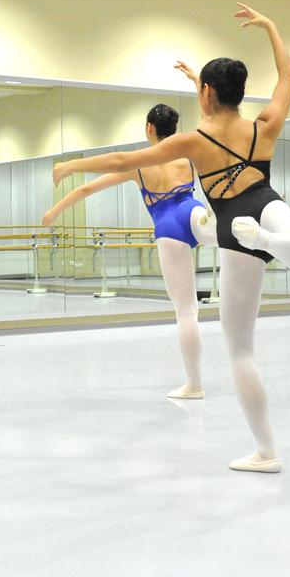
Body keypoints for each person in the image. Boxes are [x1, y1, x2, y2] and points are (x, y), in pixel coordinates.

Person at [51, 5, 290, 474]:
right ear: (239, 92)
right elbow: (288, 74)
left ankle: (266, 452)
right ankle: (269, 240)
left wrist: (72, 165)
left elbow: (123, 161)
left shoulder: (191, 142)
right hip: (266, 205)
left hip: (231, 228)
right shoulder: (265, 126)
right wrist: (271, 27)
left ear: (207, 93)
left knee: (240, 352)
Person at [44, 103, 218, 400]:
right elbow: (209, 121)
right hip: (192, 210)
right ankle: (238, 231)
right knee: (219, 230)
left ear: (149, 128)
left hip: (169, 228)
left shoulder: (139, 165)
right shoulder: (187, 157)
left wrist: (54, 211)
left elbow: (87, 189)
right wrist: (197, 85)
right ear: (174, 129)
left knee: (187, 312)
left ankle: (195, 385)